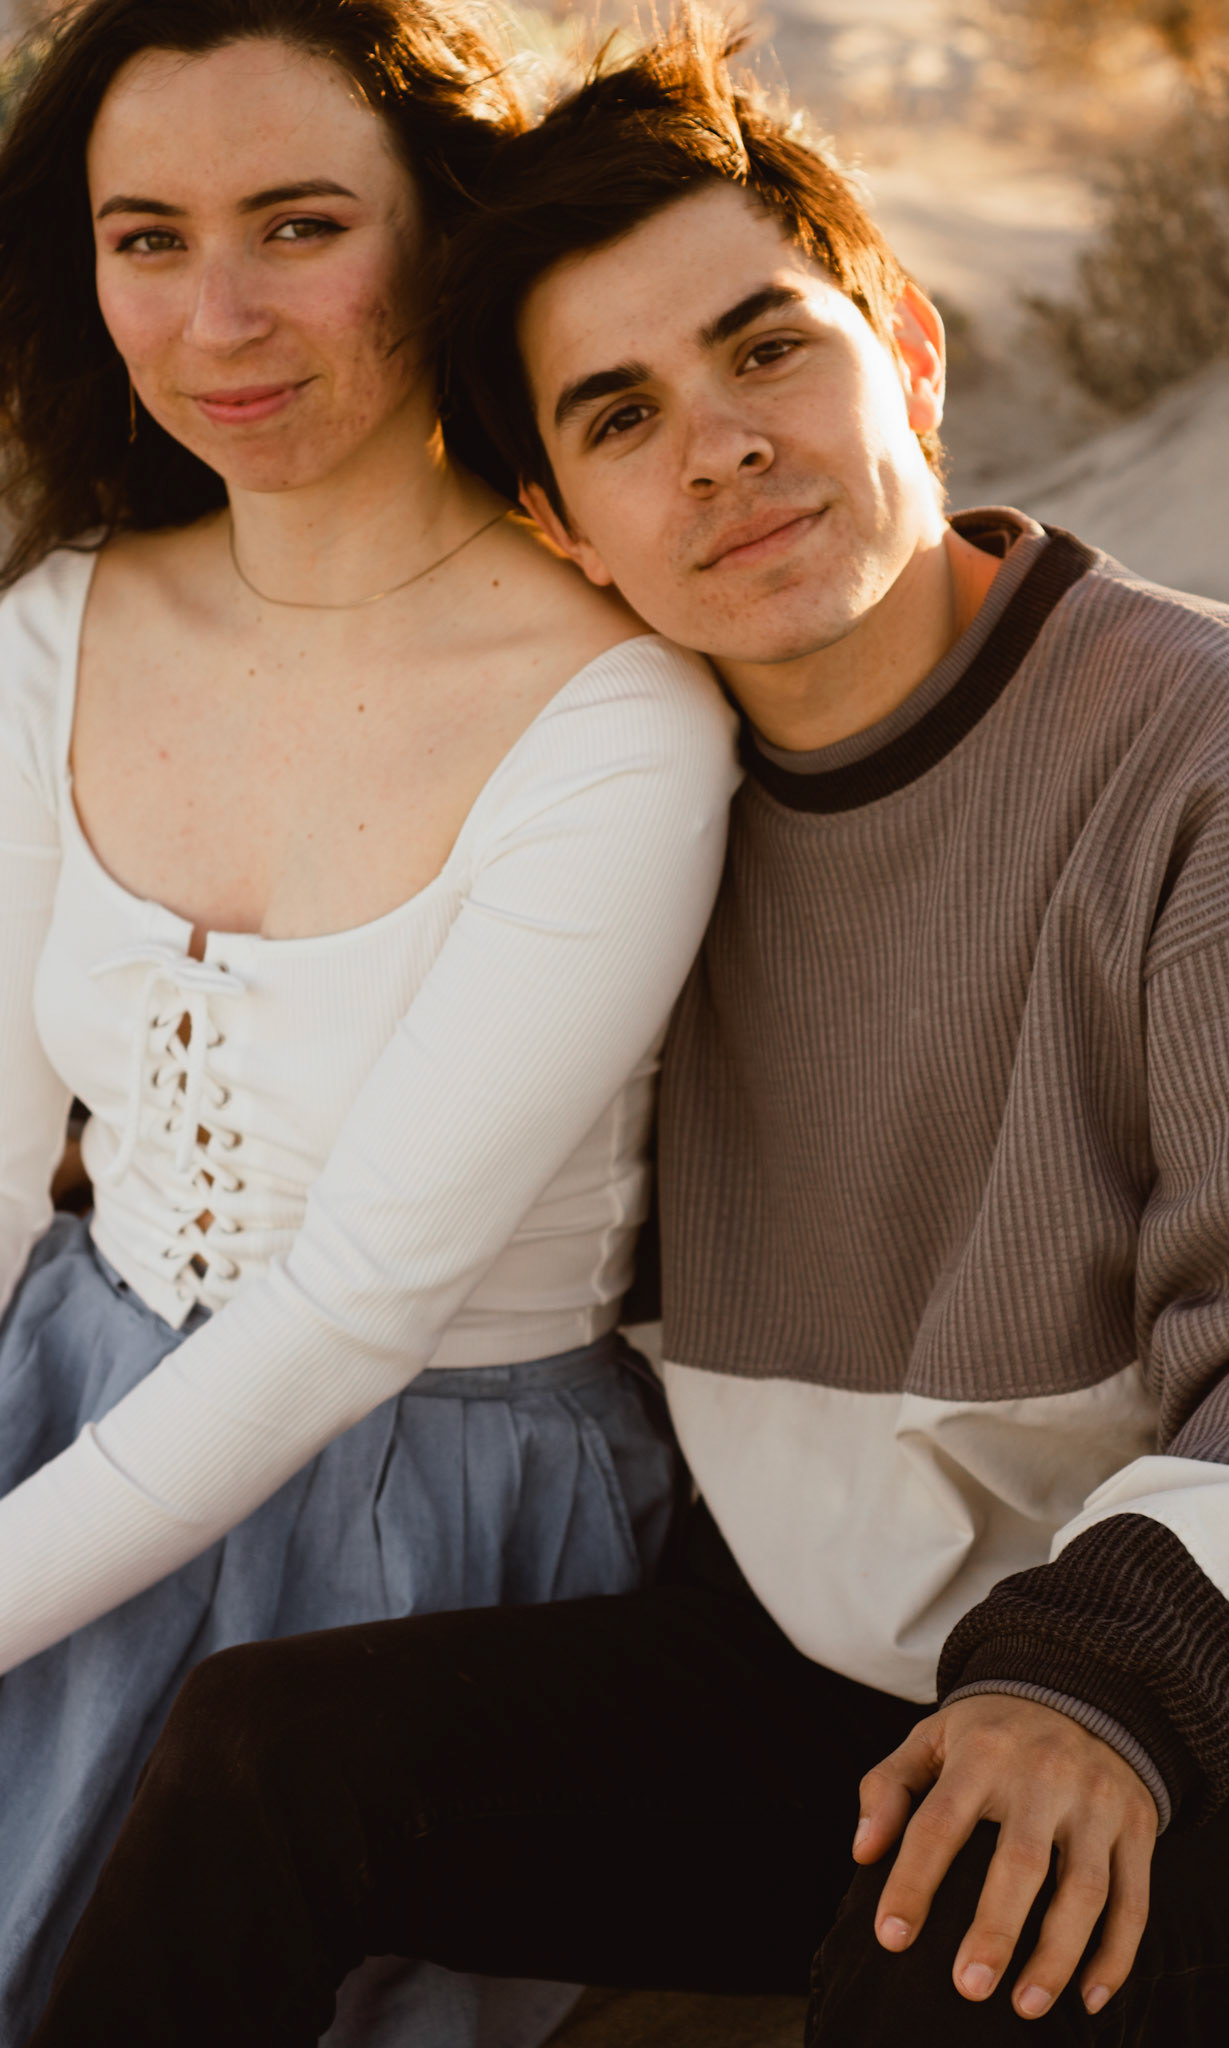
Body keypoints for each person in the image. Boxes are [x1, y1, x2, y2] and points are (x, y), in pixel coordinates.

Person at [26, 15, 1229, 2047]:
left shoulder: (1206, 738)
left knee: (945, 1972)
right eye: (620, 415)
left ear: (907, 347)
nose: (719, 450)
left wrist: (1102, 1682)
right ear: (562, 518)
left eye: (765, 351)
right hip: (831, 1664)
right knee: (266, 1756)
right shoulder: (659, 782)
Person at [0, 2, 738, 2042]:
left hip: (414, 1512)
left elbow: (350, 1314)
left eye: (299, 224)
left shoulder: (614, 721)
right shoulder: (58, 622)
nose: (218, 317)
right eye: (147, 239)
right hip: (59, 1394)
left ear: (445, 231)